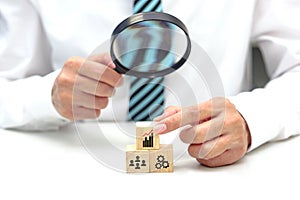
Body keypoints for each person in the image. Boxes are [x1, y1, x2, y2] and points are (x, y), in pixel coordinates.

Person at [0, 0, 299, 167]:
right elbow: (6, 86)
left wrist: (251, 118)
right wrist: (47, 95)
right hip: (71, 163)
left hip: (218, 171)